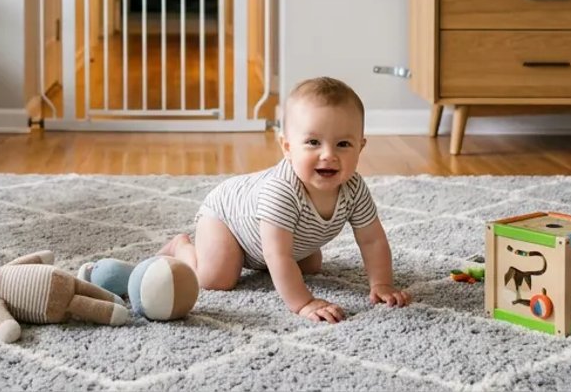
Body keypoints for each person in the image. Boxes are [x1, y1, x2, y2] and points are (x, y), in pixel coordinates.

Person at [158, 77, 411, 323]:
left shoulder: (354, 188)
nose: (328, 155)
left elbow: (372, 239)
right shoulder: (281, 192)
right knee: (217, 278)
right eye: (313, 142)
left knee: (311, 266)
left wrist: (382, 284)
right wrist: (303, 303)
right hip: (227, 220)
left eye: (343, 144)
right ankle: (182, 247)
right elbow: (277, 255)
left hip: (274, 240)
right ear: (287, 147)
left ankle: (267, 262)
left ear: (361, 146)